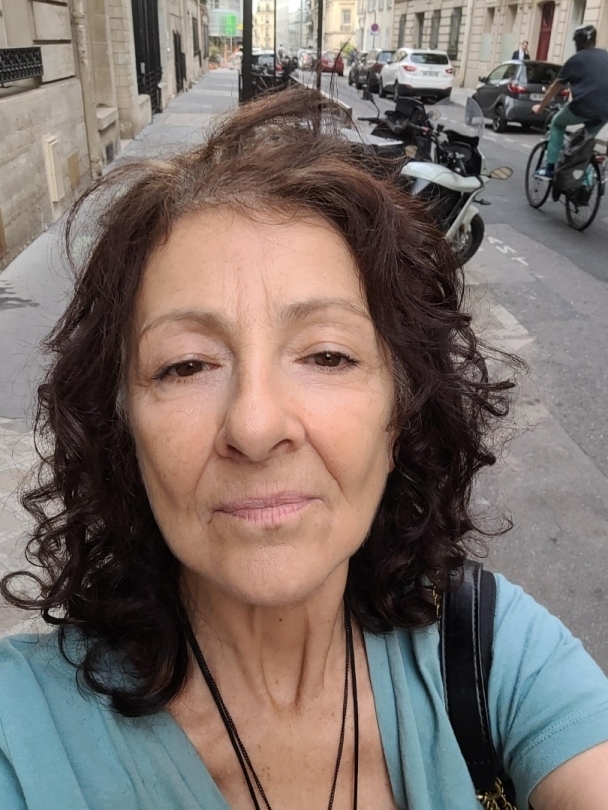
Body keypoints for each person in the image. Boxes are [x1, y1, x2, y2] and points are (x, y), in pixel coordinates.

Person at [0, 87, 607, 810]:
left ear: (401, 413)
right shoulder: (22, 734)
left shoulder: (490, 653)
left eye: (326, 355)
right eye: (186, 365)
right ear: (122, 429)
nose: (256, 426)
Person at [533, 24, 608, 179]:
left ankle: (550, 168)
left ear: (576, 43)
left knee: (557, 123)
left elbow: (554, 88)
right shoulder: (606, 56)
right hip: (605, 111)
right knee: (586, 142)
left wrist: (540, 107)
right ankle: (585, 181)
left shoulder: (575, 60)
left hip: (583, 107)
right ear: (594, 41)